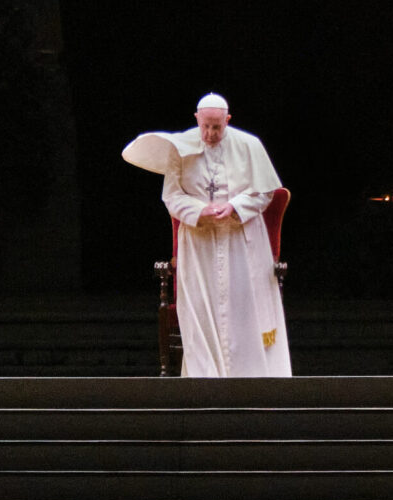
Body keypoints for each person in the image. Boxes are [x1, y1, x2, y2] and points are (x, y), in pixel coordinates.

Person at [122, 92, 291, 377]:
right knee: (202, 309)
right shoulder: (180, 148)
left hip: (241, 238)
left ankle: (248, 378)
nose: (210, 134)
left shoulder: (249, 145)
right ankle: (206, 378)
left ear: (228, 120)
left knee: (241, 311)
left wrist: (234, 206)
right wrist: (200, 211)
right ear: (196, 119)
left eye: (217, 127)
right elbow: (172, 197)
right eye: (205, 127)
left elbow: (265, 193)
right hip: (199, 241)